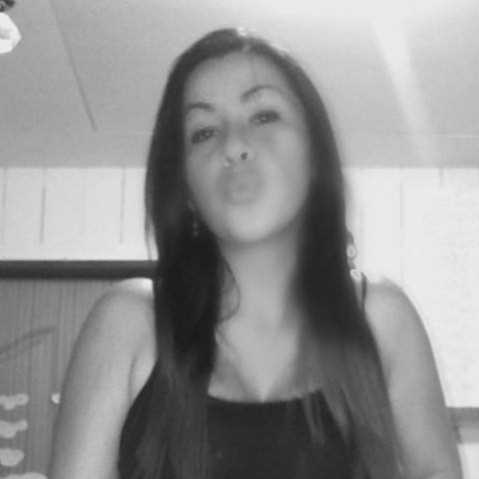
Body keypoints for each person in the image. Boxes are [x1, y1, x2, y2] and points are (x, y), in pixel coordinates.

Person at [48, 28, 462, 479]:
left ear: (315, 156)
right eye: (203, 132)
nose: (233, 145)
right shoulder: (127, 323)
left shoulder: (382, 319)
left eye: (264, 115)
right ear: (185, 188)